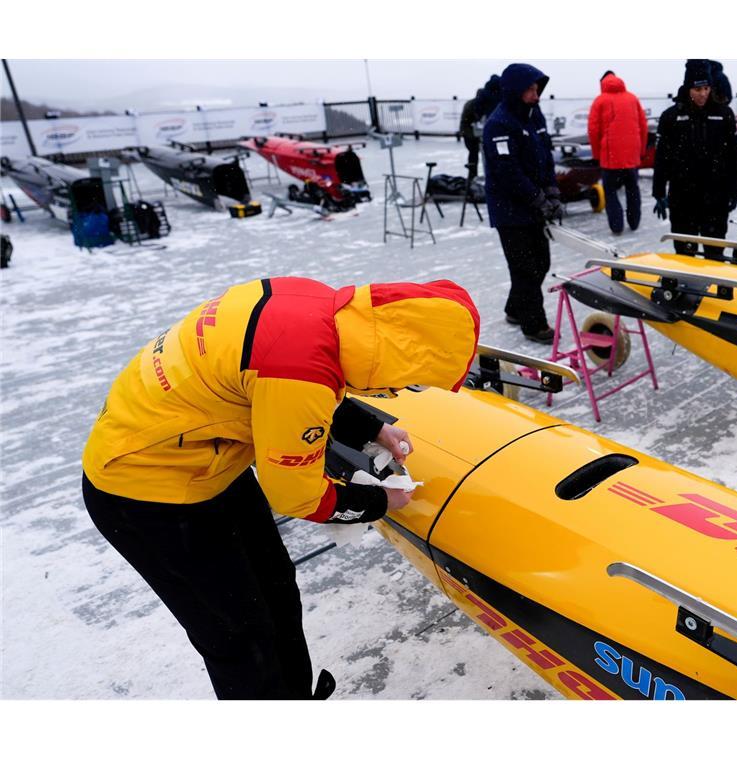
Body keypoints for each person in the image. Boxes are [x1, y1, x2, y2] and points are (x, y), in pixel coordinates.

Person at [81, 277, 481, 699]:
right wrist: (380, 501)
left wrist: (373, 428)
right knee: (239, 632)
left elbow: (294, 377)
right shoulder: (299, 372)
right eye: (405, 381)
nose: (398, 389)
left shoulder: (319, 308)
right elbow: (297, 495)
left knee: (275, 589)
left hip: (205, 461)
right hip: (144, 492)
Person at [482, 63, 561, 344]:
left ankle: (515, 308)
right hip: (510, 211)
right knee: (526, 267)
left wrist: (552, 191)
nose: (535, 94)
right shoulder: (498, 124)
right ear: (515, 91)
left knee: (540, 263)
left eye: (537, 88)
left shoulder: (534, 115)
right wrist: (537, 198)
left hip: (533, 205)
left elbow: (546, 156)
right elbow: (508, 172)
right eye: (530, 89)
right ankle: (534, 324)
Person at [652, 60, 737, 254]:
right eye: (697, 89)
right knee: (685, 254)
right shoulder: (671, 117)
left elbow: (734, 157)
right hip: (682, 198)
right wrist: (658, 191)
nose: (703, 94)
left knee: (715, 253)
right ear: (688, 88)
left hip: (716, 197)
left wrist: (735, 191)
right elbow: (661, 158)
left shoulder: (724, 115)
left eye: (707, 88)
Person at [588, 70, 649, 235]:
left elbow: (593, 130)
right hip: (631, 156)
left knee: (610, 191)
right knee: (632, 188)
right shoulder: (632, 98)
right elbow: (643, 127)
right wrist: (641, 151)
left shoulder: (600, 101)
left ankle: (617, 226)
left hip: (610, 158)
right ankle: (634, 222)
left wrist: (596, 155)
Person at [459, 74, 501, 179]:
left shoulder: (487, 104)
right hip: (469, 133)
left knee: (486, 155)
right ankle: (472, 178)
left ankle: (485, 177)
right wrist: (473, 135)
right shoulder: (470, 105)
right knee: (473, 155)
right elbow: (464, 124)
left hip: (479, 133)